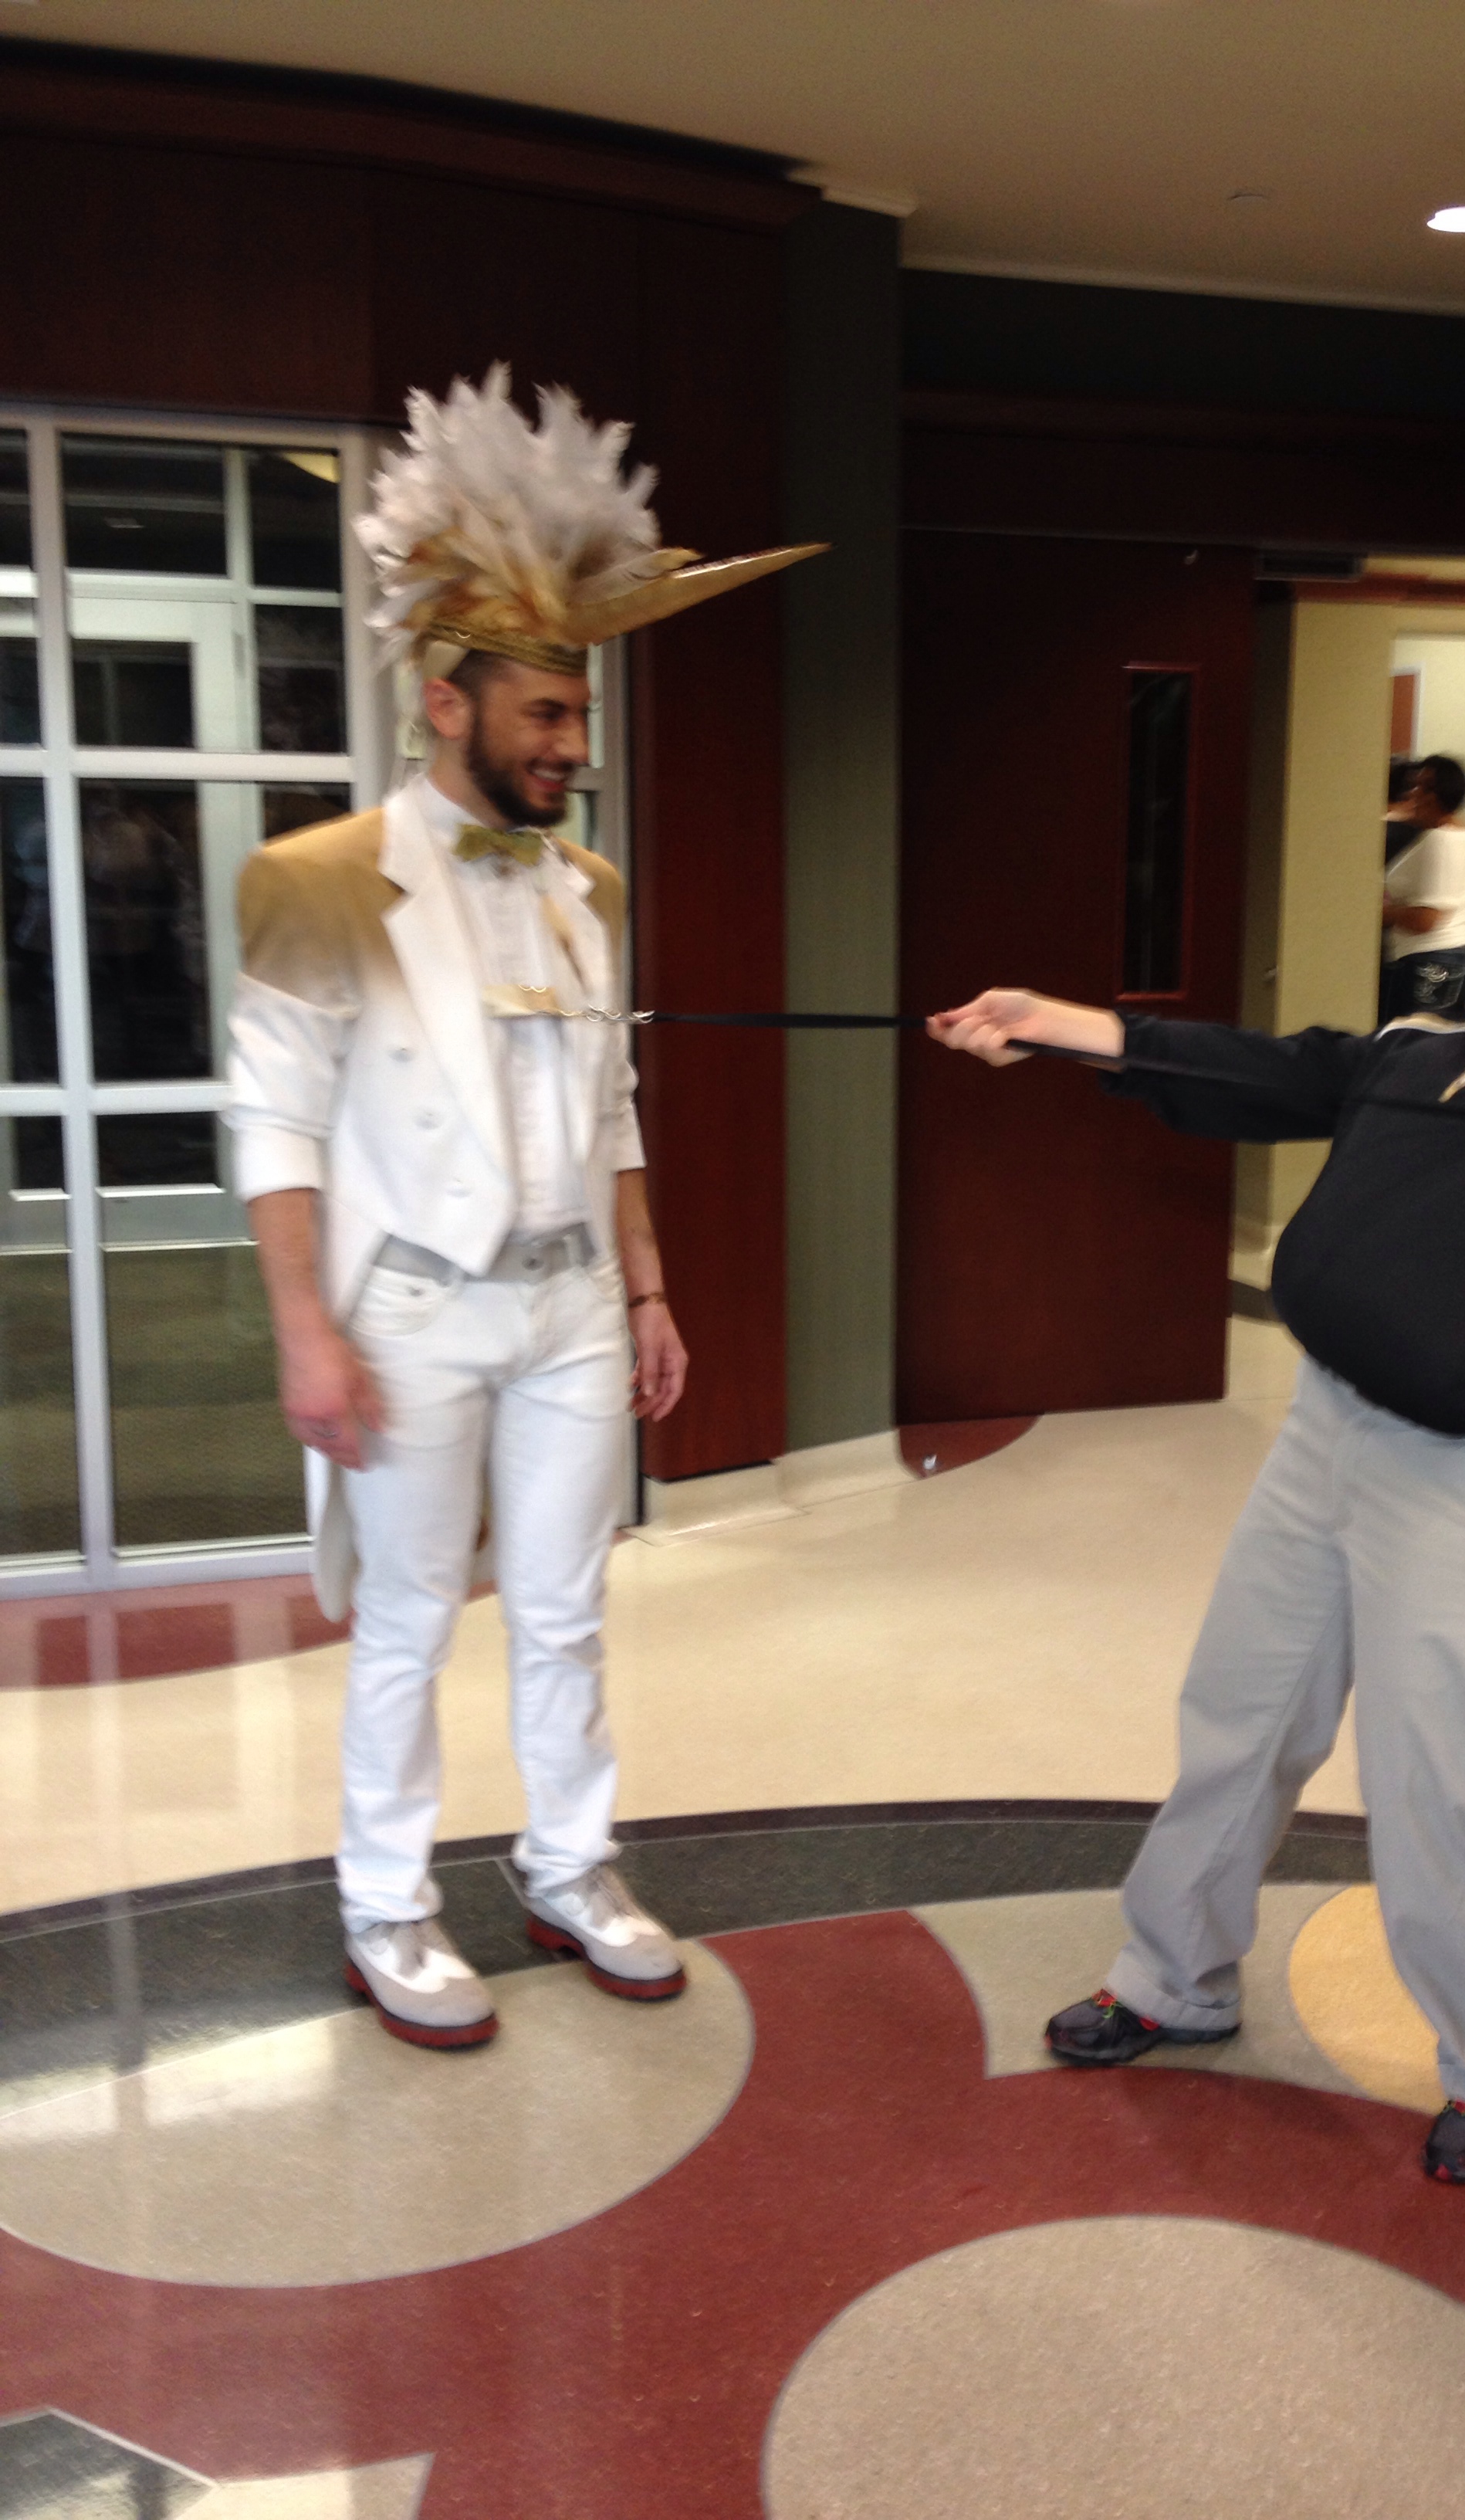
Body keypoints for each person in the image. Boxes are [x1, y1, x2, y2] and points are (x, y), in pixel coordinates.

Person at [929, 758, 1465, 2182]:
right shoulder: (1438, 1042)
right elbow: (1276, 1071)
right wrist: (1061, 1026)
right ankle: (1174, 1976)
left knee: (1433, 1790)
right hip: (1324, 1437)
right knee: (1240, 1716)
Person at [226, 369, 817, 2049]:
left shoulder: (587, 885)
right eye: (546, 715)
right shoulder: (316, 879)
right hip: (410, 1312)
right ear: (447, 700)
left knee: (566, 1612)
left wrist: (649, 1287)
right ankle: (385, 1905)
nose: (573, 746)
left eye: (580, 716)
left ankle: (570, 1866)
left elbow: (611, 1100)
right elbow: (272, 1119)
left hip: (568, 1311)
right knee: (410, 1624)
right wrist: (306, 1332)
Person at [1380, 753, 1465, 1023]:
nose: (1412, 794)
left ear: (1435, 796)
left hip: (1432, 964)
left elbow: (1426, 919)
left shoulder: (1441, 843)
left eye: (1419, 787)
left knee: (1413, 1042)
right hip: (1464, 957)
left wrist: (1382, 912)